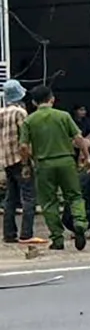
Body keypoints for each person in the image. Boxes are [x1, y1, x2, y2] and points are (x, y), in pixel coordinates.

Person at [19, 85, 89, 251]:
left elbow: (23, 146)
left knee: (49, 202)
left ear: (34, 102)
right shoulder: (63, 116)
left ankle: (57, 239)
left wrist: (26, 165)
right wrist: (86, 156)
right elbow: (79, 138)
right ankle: (79, 222)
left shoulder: (29, 120)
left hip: (43, 165)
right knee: (75, 196)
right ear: (52, 99)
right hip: (66, 161)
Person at [0, 79, 36, 243]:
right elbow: (25, 139)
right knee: (28, 198)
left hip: (6, 161)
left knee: (10, 199)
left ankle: (9, 234)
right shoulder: (20, 113)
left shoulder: (2, 113)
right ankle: (26, 234)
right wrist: (28, 161)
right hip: (20, 160)